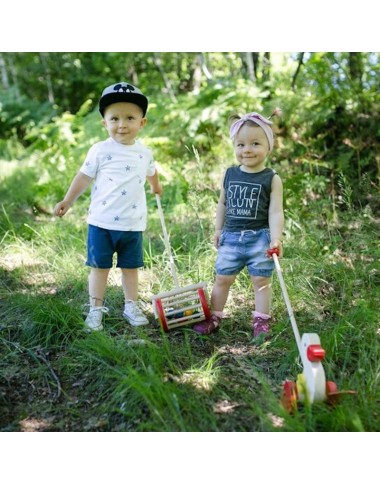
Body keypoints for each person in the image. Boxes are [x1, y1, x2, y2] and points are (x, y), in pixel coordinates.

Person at [54, 82, 162, 331]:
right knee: (99, 268)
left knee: (131, 268)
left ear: (142, 123)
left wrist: (156, 187)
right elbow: (83, 176)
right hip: (101, 223)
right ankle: (95, 308)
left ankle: (131, 305)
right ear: (104, 122)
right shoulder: (100, 150)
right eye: (114, 118)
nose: (122, 124)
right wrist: (68, 200)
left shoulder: (144, 152)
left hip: (132, 223)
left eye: (129, 118)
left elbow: (152, 173)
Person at [193, 110, 284, 338]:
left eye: (255, 143)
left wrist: (276, 238)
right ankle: (214, 316)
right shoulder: (230, 174)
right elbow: (222, 203)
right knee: (223, 277)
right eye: (241, 145)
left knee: (261, 280)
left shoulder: (271, 178)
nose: (247, 150)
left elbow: (275, 211)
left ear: (269, 146)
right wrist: (217, 229)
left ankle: (261, 321)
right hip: (232, 236)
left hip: (260, 238)